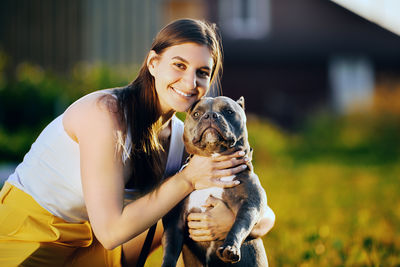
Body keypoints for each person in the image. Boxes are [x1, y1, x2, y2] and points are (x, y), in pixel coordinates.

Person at [0, 18, 275, 266]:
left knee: (179, 209)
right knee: (174, 194)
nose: (190, 82)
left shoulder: (183, 138)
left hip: (93, 249)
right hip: (28, 238)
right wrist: (187, 179)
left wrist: (234, 223)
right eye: (179, 65)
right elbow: (110, 233)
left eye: (202, 72)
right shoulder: (106, 113)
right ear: (153, 64)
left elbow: (261, 208)